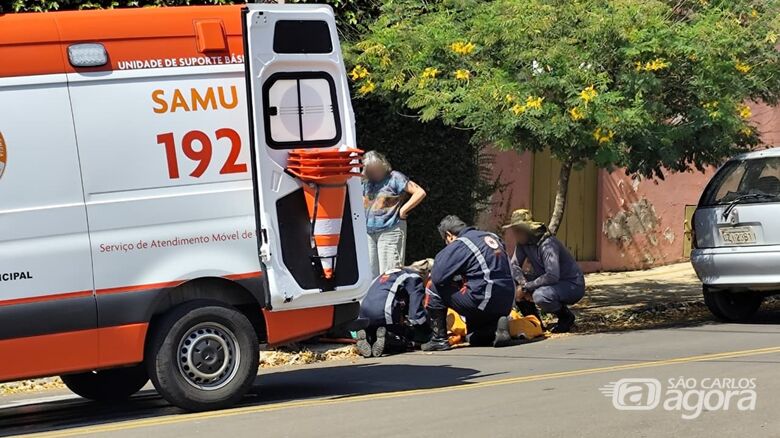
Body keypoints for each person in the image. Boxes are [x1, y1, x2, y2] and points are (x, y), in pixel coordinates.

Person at [422, 215, 515, 351]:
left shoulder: (461, 244)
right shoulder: (491, 236)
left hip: (483, 301)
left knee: (433, 286)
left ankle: (439, 339)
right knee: (473, 338)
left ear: (449, 235)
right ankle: (496, 330)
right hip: (506, 303)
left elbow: (438, 277)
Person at [504, 209, 585, 333]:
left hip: (571, 284)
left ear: (527, 229)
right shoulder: (522, 244)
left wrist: (527, 288)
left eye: (518, 231)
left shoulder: (547, 244)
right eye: (514, 232)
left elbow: (552, 275)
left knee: (540, 296)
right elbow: (514, 265)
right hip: (549, 282)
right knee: (514, 286)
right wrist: (522, 283)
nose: (516, 235)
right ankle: (535, 324)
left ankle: (566, 317)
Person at [363, 151, 427, 278]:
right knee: (369, 273)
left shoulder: (395, 177)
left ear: (383, 165)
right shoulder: (365, 182)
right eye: (371, 171)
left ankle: (390, 297)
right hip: (368, 232)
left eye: (377, 170)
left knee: (390, 273)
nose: (375, 174)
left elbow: (420, 192)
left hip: (390, 229)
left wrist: (403, 210)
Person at [355, 259, 434, 357]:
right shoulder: (415, 278)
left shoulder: (388, 274)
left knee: (378, 332)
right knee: (406, 338)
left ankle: (369, 337)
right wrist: (430, 330)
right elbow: (416, 316)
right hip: (383, 313)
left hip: (364, 314)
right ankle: (389, 338)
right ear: (429, 274)